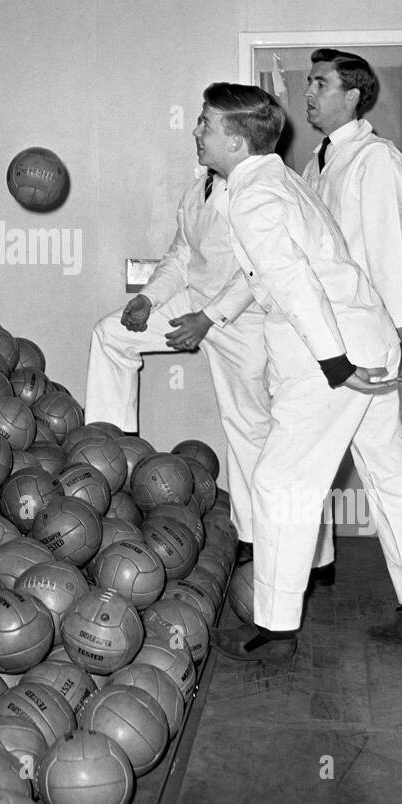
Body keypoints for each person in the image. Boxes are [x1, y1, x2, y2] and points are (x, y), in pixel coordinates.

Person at [193, 83, 402, 664]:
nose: (195, 132)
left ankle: (274, 631)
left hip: (329, 352)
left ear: (234, 136)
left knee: (279, 481)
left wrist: (335, 363)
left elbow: (295, 286)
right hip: (364, 335)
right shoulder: (273, 181)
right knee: (391, 465)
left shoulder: (254, 196)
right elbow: (268, 279)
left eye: (204, 123)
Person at [300, 48, 402, 638]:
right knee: (326, 457)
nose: (309, 94)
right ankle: (319, 569)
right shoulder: (320, 164)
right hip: (329, 340)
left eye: (321, 83)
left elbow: (390, 252)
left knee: (390, 460)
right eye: (309, 82)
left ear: (354, 96)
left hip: (369, 338)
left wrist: (401, 334)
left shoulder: (376, 160)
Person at [84, 163, 270, 553]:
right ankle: (107, 457)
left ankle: (257, 539)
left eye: (206, 122)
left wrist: (208, 319)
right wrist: (148, 299)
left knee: (247, 424)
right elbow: (180, 257)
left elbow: (259, 269)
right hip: (195, 300)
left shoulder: (256, 187)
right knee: (111, 334)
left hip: (244, 316)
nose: (197, 131)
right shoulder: (197, 189)